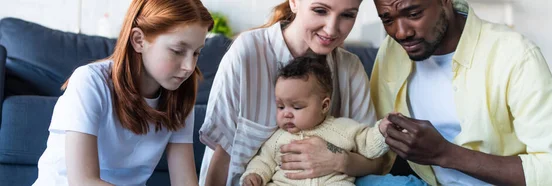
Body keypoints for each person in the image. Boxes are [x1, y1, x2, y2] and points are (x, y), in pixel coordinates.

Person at [366, 0, 552, 185]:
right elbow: (377, 148)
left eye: (414, 13)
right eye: (387, 19)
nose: (401, 32)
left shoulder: (515, 55)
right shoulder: (392, 51)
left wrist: (445, 153)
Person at [197, 0, 394, 185]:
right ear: (293, 2)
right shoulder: (247, 51)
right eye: (320, 10)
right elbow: (220, 154)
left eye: (347, 15)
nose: (331, 29)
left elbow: (376, 161)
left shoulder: (350, 68)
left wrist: (338, 160)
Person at [33, 0, 214, 185]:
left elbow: (184, 181)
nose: (189, 67)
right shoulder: (90, 81)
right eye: (177, 51)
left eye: (196, 53)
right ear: (138, 40)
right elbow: (83, 181)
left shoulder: (180, 97)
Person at [242, 55, 391, 186]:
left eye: (297, 107)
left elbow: (368, 143)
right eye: (280, 106)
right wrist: (255, 175)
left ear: (324, 105)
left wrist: (382, 130)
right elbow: (263, 161)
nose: (286, 114)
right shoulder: (277, 139)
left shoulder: (344, 128)